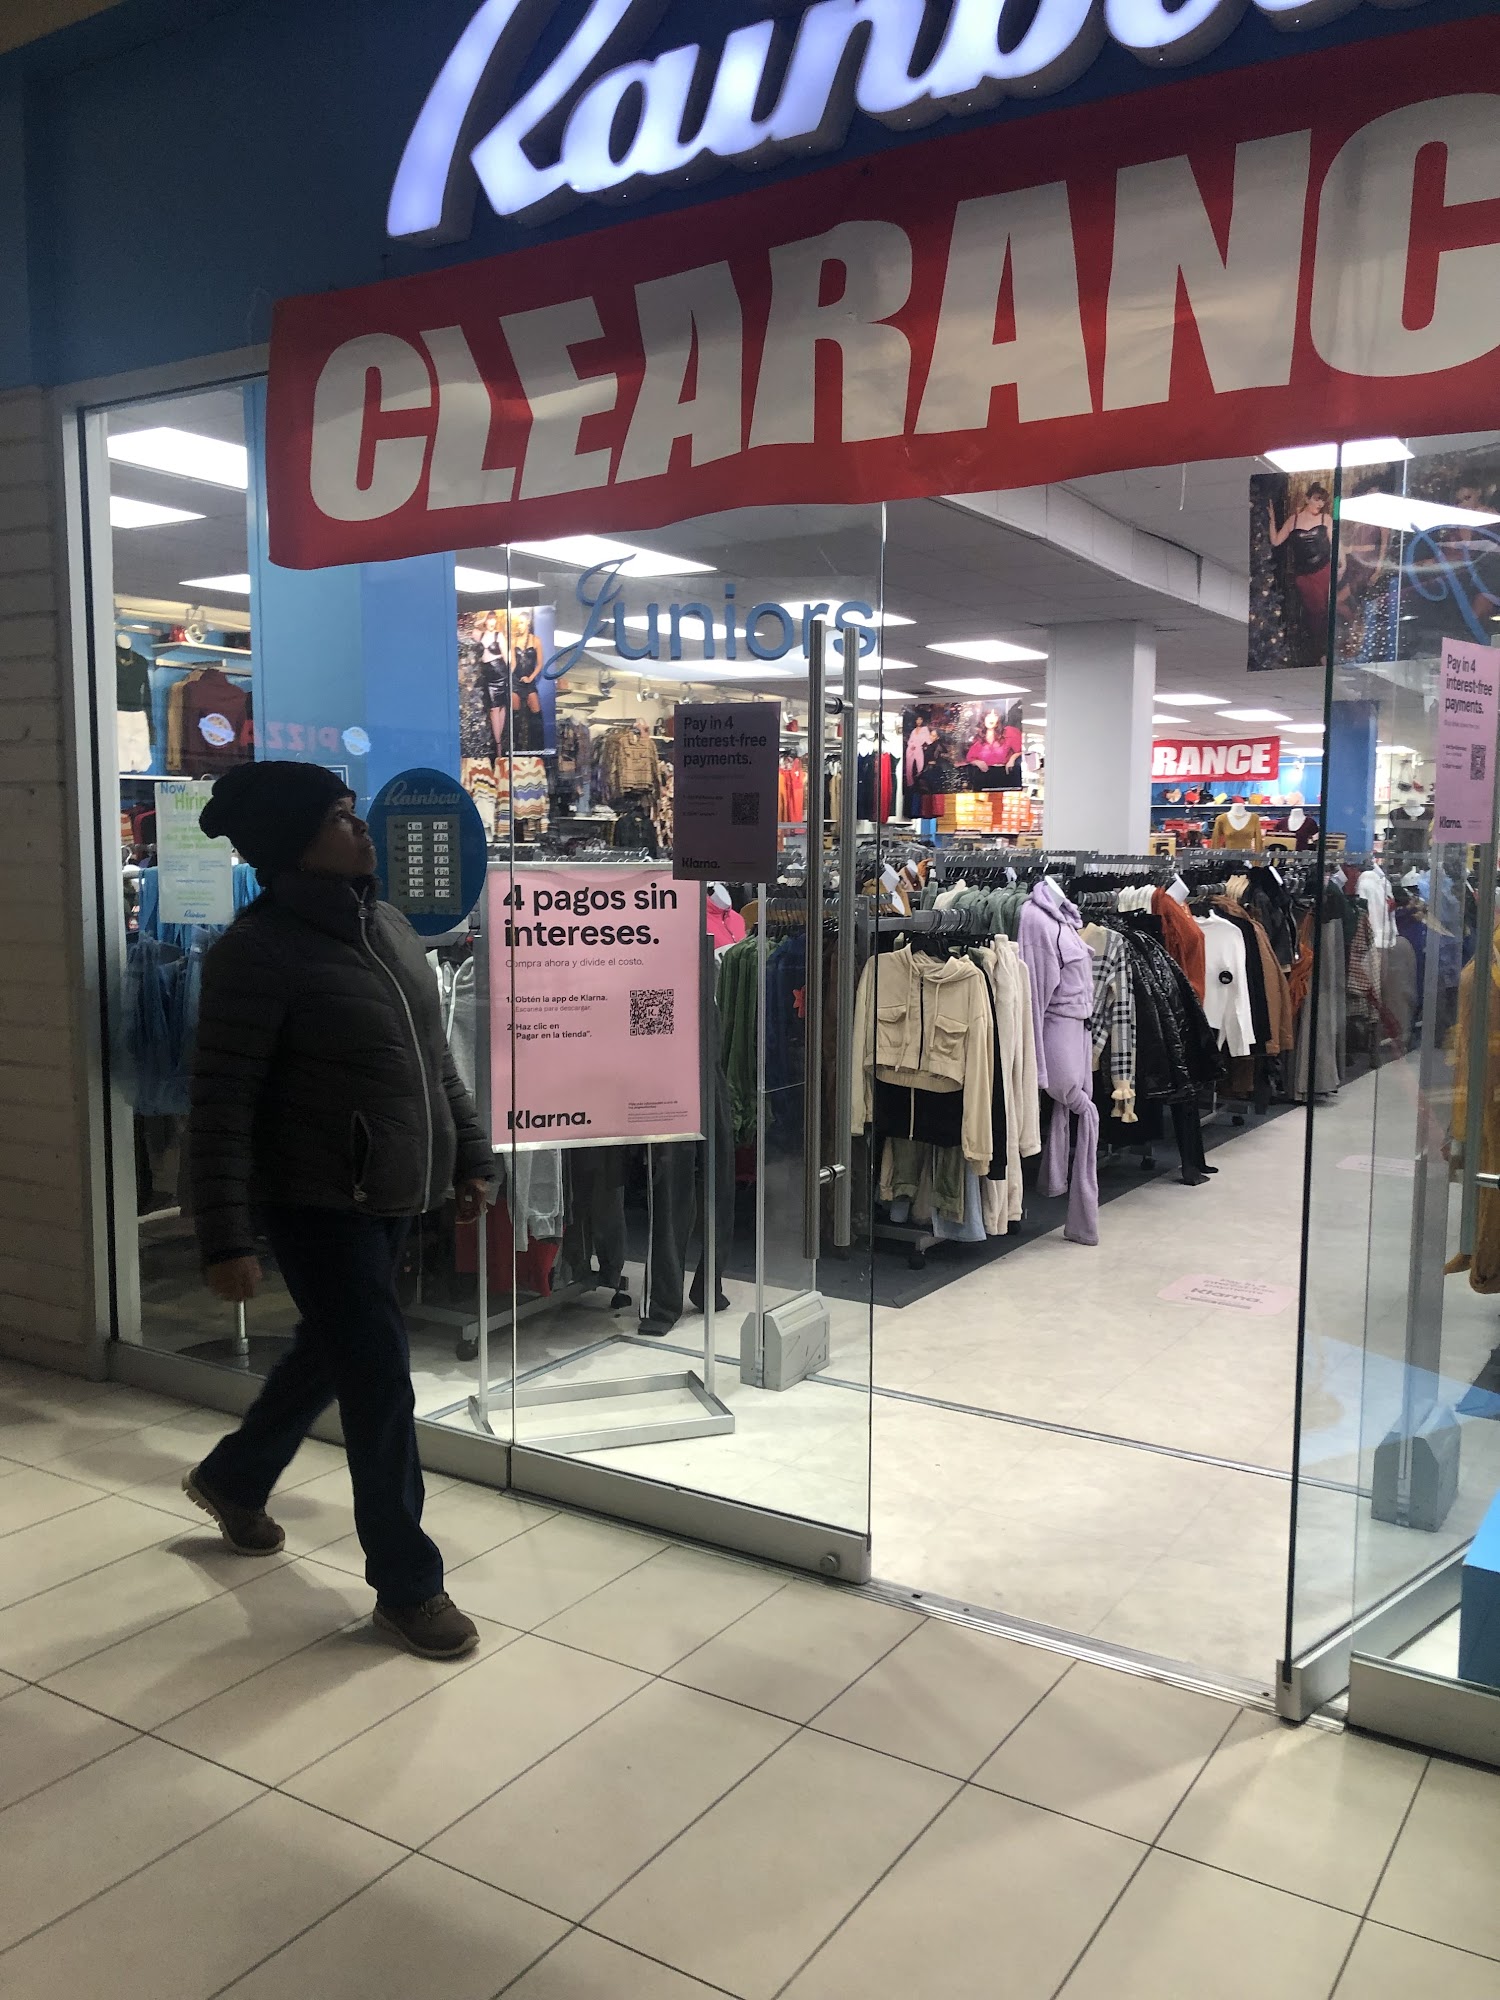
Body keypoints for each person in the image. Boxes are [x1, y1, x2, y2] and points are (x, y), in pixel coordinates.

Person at [181, 760, 494, 1661]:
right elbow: (221, 1105)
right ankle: (408, 1586)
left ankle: (235, 1477)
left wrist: (470, 1155)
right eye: (339, 818)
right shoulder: (256, 952)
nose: (360, 829)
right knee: (379, 1378)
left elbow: (434, 1062)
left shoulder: (387, 925)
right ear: (293, 843)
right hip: (316, 1201)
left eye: (355, 814)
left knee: (334, 1348)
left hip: (391, 1189)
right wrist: (225, 1237)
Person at [1268, 483, 1333, 643]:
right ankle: (1316, 645)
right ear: (1307, 499)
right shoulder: (1293, 520)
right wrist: (1272, 520)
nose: (1320, 504)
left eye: (1323, 500)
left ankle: (1322, 645)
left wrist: (1342, 562)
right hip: (1303, 574)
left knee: (1325, 608)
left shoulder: (1325, 518)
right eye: (1317, 499)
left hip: (1324, 569)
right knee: (1314, 609)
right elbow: (1276, 541)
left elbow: (1335, 543)